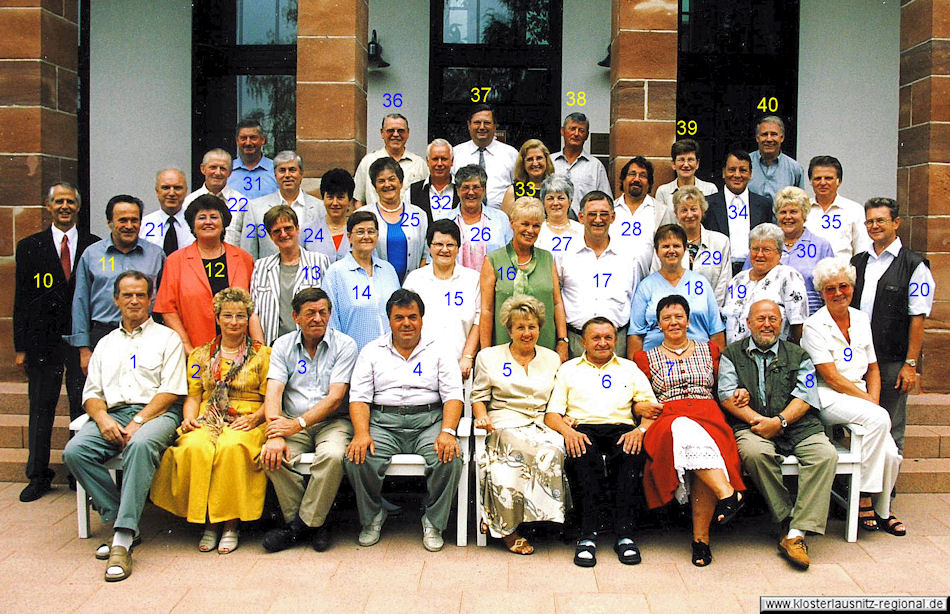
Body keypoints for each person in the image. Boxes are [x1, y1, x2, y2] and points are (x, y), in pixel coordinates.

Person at [62, 271, 187, 582]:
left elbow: (171, 390)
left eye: (141, 295)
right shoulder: (105, 343)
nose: (134, 301)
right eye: (127, 295)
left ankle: (121, 538)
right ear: (116, 299)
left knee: (140, 444)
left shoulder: (166, 338)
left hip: (157, 414)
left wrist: (138, 421)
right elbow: (91, 394)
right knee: (75, 451)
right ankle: (120, 518)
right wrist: (102, 420)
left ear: (150, 299)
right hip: (112, 414)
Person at [718, 299, 837, 570]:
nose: (767, 324)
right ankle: (787, 518)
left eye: (773, 319)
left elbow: (806, 396)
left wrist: (780, 421)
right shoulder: (732, 354)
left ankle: (795, 534)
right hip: (753, 426)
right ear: (748, 324)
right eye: (760, 319)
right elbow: (726, 394)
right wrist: (761, 421)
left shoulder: (799, 355)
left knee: (825, 455)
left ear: (781, 324)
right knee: (753, 453)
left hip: (798, 425)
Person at [150, 288, 271, 554]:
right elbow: (193, 396)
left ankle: (230, 524)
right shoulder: (200, 355)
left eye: (241, 316)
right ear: (217, 317)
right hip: (209, 414)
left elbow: (270, 399)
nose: (234, 322)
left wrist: (254, 418)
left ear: (248, 318)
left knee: (231, 447)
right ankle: (207, 522)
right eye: (227, 315)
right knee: (195, 446)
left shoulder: (263, 354)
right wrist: (189, 419)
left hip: (247, 416)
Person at [344, 290, 464, 552]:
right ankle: (372, 516)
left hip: (428, 420)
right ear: (389, 320)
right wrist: (362, 433)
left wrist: (447, 431)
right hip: (384, 421)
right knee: (357, 456)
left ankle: (433, 521)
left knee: (450, 457)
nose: (406, 323)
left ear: (422, 318)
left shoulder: (440, 349)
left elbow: (454, 395)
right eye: (399, 318)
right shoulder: (372, 351)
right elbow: (360, 398)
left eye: (412, 316)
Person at [632, 295, 746, 567]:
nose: (673, 322)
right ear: (658, 325)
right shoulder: (644, 358)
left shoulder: (711, 350)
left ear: (688, 320)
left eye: (679, 316)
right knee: (685, 431)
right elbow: (634, 397)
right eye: (667, 318)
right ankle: (727, 494)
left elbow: (728, 386)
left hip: (709, 416)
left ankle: (701, 541)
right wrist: (639, 408)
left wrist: (740, 391)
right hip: (667, 419)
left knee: (702, 454)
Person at [545, 317, 662, 567]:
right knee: (583, 457)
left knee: (631, 456)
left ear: (616, 340)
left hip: (622, 428)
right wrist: (568, 433)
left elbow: (651, 410)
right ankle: (587, 536)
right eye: (596, 338)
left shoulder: (629, 368)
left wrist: (640, 431)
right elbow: (552, 415)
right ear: (583, 342)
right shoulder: (569, 369)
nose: (602, 343)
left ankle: (625, 535)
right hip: (583, 429)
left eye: (608, 337)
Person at [801, 258, 905, 536]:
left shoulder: (860, 318)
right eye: (830, 288)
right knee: (879, 416)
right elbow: (831, 376)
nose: (838, 293)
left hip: (859, 395)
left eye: (843, 286)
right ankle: (863, 498)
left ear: (852, 287)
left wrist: (871, 396)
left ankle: (883, 512)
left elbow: (872, 367)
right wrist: (868, 401)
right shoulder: (814, 325)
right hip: (828, 396)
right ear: (822, 292)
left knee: (892, 454)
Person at [14, 183, 99, 501]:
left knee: (81, 403)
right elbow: (20, 300)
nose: (65, 206)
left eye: (70, 202)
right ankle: (38, 475)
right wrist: (20, 347)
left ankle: (80, 475)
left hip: (79, 340)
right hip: (41, 341)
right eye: (58, 201)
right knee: (41, 407)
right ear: (48, 207)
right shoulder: (29, 247)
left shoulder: (93, 246)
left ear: (78, 207)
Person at [259, 288, 358, 553]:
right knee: (271, 456)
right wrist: (276, 433)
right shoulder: (282, 345)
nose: (317, 318)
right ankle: (316, 523)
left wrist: (298, 424)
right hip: (291, 420)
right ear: (296, 317)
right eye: (310, 313)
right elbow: (274, 392)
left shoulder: (345, 345)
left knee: (334, 455)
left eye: (323, 312)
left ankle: (297, 529)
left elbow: (336, 397)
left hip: (332, 422)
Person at [472, 295, 568, 554]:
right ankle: (508, 528)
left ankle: (539, 520)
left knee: (555, 449)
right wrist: (481, 415)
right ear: (509, 330)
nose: (527, 333)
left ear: (540, 328)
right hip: (503, 421)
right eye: (520, 327)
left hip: (540, 422)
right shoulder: (489, 357)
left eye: (532, 327)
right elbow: (478, 397)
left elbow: (556, 399)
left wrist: (563, 417)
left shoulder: (551, 359)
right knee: (517, 451)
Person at [851, 197, 935, 453]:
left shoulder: (914, 265)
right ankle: (859, 488)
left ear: (896, 223)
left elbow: (918, 318)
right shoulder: (858, 262)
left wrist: (910, 364)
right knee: (858, 425)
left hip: (891, 360)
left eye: (881, 220)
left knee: (890, 425)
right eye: (870, 221)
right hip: (858, 358)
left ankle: (886, 491)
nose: (874, 226)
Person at [67, 195, 165, 372]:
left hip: (146, 336)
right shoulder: (92, 255)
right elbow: (80, 302)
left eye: (134, 220)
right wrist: (84, 349)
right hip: (104, 334)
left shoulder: (156, 255)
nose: (129, 226)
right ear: (109, 222)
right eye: (122, 220)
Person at [154, 195, 260, 355]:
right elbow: (168, 310)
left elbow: (253, 308)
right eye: (202, 217)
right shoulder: (175, 261)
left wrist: (258, 349)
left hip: (240, 353)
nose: (208, 222)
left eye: (214, 217)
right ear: (192, 225)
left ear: (224, 223)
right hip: (194, 350)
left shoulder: (244, 258)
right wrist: (189, 349)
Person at [558, 191, 649, 358]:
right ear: (581, 217)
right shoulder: (564, 254)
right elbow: (557, 299)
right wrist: (562, 340)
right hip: (575, 342)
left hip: (617, 343)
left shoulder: (630, 256)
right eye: (592, 214)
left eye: (604, 214)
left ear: (613, 217)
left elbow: (635, 299)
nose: (598, 219)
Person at [479, 197, 569, 360]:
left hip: (545, 347)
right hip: (503, 348)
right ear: (512, 223)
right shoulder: (493, 260)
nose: (530, 230)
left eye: (536, 226)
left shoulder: (547, 258)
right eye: (525, 224)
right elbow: (486, 310)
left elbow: (557, 303)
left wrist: (563, 340)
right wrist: (485, 354)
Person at [627, 224, 726, 355]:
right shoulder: (646, 286)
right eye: (666, 246)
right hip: (655, 359)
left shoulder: (701, 283)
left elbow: (716, 331)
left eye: (676, 246)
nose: (671, 250)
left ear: (685, 250)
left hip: (699, 359)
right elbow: (636, 334)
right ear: (657, 252)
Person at [403, 220, 481, 380]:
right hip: (420, 367)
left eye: (450, 245)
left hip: (461, 368)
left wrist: (468, 357)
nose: (444, 250)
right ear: (430, 247)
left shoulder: (473, 279)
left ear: (458, 248)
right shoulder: (415, 279)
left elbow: (479, 320)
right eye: (438, 244)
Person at [743, 186, 834, 315]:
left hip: (810, 320)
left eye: (793, 212)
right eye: (783, 212)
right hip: (768, 323)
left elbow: (830, 289)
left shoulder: (821, 246)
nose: (788, 217)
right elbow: (746, 281)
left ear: (804, 214)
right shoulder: (761, 245)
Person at [250, 205, 332, 345]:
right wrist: (260, 350)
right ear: (270, 236)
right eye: (277, 231)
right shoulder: (261, 267)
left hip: (312, 345)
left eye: (288, 228)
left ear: (297, 228)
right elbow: (253, 313)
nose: (283, 234)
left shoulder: (319, 261)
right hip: (272, 347)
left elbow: (330, 306)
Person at [323, 211, 401, 351]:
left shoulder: (388, 270)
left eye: (371, 231)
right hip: (354, 359)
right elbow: (331, 324)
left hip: (392, 358)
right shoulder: (335, 273)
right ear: (349, 237)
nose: (366, 236)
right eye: (360, 232)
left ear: (377, 235)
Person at [721, 223, 808, 344]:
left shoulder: (788, 276)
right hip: (736, 356)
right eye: (755, 249)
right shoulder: (738, 280)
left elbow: (798, 325)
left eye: (766, 250)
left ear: (779, 253)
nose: (759, 254)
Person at [240, 150, 326, 260]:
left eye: (292, 170)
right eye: (282, 170)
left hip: (309, 273)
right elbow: (248, 251)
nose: (287, 175)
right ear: (275, 175)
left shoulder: (320, 207)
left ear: (301, 174)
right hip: (269, 274)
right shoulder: (255, 207)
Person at [357, 156, 429, 283]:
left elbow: (426, 254)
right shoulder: (362, 215)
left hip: (412, 288)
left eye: (392, 179)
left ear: (401, 183)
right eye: (381, 181)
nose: (387, 185)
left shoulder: (419, 214)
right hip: (374, 287)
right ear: (375, 186)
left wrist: (416, 283)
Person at [657, 186, 731, 306]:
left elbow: (723, 285)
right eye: (684, 210)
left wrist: (710, 313)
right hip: (672, 316)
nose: (689, 215)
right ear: (676, 213)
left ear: (702, 211)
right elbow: (656, 281)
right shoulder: (665, 244)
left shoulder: (721, 242)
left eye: (694, 209)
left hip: (709, 316)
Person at [704, 150, 774, 275]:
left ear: (750, 174)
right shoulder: (707, 204)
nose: (737, 175)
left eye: (743, 170)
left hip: (754, 270)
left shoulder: (764, 204)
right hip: (719, 270)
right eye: (732, 169)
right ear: (723, 172)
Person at [353, 113, 428, 209]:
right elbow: (358, 200)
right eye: (390, 130)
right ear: (382, 133)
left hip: (409, 223)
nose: (396, 134)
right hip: (375, 222)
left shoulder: (419, 164)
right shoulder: (368, 162)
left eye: (401, 131)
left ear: (408, 133)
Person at [451, 103, 518, 210]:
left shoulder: (511, 154)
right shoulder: (456, 153)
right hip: (465, 218)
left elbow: (518, 188)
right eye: (477, 122)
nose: (482, 127)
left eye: (487, 123)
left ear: (495, 126)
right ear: (469, 125)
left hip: (503, 218)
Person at [805, 155, 872, 260]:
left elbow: (862, 250)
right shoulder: (802, 210)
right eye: (817, 178)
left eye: (828, 178)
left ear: (839, 181)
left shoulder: (854, 210)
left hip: (842, 274)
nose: (822, 183)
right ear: (811, 182)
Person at [448, 164, 512, 271]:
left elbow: (512, 256)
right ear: (458, 190)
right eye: (465, 187)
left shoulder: (501, 219)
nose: (471, 192)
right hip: (453, 285)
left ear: (484, 189)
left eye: (476, 187)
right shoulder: (445, 220)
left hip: (495, 284)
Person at [611, 156, 675, 258]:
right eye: (632, 174)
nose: (636, 179)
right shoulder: (610, 210)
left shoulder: (662, 212)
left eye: (643, 175)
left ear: (649, 184)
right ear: (623, 180)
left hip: (651, 273)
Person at [551, 112, 612, 215]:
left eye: (581, 130)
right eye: (572, 129)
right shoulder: (550, 161)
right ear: (562, 131)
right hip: (553, 224)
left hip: (584, 226)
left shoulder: (595, 166)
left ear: (587, 135)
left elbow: (605, 201)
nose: (576, 134)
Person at [181, 149, 245, 244]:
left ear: (230, 172)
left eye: (223, 168)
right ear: (203, 169)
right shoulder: (188, 202)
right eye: (213, 167)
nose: (218, 172)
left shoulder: (242, 203)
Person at [748, 115, 806, 203]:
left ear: (782, 138)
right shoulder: (745, 164)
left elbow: (801, 204)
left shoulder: (794, 168)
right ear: (757, 138)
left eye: (774, 134)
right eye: (764, 134)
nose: (769, 139)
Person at [140, 168, 193, 255]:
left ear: (186, 191)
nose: (171, 193)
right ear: (157, 191)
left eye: (177, 188)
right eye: (166, 188)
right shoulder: (144, 225)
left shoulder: (196, 224)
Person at [307, 167, 355, 263]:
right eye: (330, 197)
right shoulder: (307, 231)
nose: (335, 203)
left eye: (340, 197)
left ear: (349, 200)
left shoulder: (359, 230)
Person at [653, 139, 718, 209]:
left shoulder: (710, 190)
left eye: (690, 160)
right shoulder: (663, 192)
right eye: (681, 160)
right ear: (673, 164)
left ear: (697, 164)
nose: (686, 165)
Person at [228, 118, 279, 202]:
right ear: (237, 141)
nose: (248, 143)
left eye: (253, 138)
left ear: (263, 140)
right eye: (243, 138)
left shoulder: (276, 170)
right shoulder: (226, 171)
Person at [409, 139, 459, 224]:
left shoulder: (462, 189)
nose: (439, 164)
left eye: (444, 159)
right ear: (427, 161)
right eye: (435, 159)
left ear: (452, 161)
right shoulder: (412, 192)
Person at [500, 138, 555, 215]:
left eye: (539, 158)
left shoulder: (555, 189)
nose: (535, 163)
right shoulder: (513, 191)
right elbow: (504, 223)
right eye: (530, 159)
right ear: (523, 163)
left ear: (546, 160)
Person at [535, 174, 584, 258]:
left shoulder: (581, 231)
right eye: (550, 198)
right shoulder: (536, 230)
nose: (555, 203)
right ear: (543, 202)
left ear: (570, 201)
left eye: (561, 198)